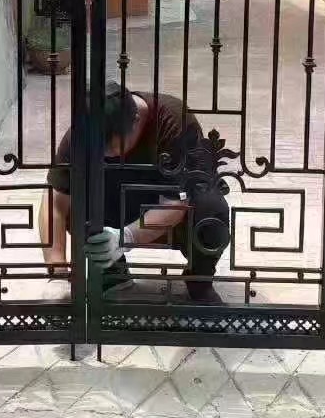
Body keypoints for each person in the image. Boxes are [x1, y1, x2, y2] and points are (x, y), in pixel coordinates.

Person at [40, 81, 230, 304]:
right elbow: (55, 203)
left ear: (136, 121)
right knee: (76, 200)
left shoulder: (172, 121)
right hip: (116, 202)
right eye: (100, 148)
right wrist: (57, 273)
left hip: (168, 209)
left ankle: (199, 279)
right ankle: (112, 273)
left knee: (211, 208)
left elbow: (176, 203)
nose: (109, 154)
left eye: (114, 146)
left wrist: (125, 238)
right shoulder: (81, 134)